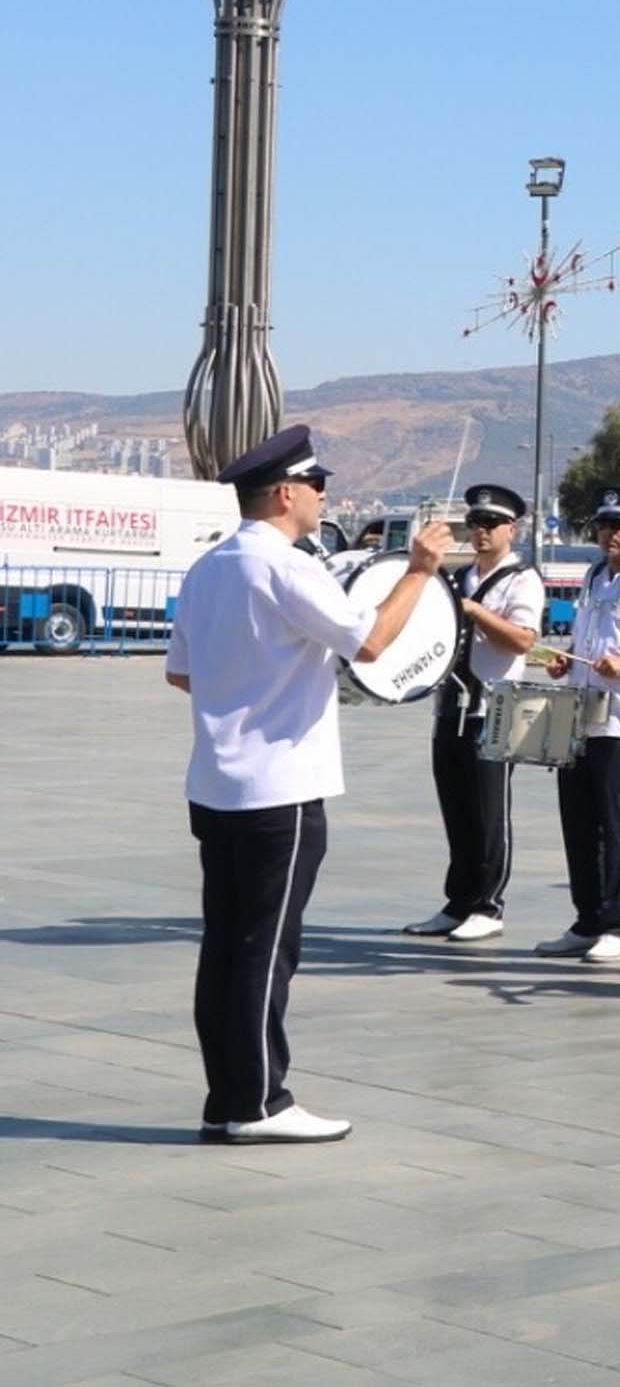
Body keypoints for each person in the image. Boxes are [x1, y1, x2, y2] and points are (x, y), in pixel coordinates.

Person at [167, 425, 453, 1141]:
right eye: (317, 484)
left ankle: (227, 1095)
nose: (325, 495)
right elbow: (373, 641)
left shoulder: (209, 567)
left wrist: (246, 683)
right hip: (281, 789)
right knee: (267, 947)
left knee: (225, 945)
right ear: (286, 491)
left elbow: (181, 671)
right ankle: (260, 1102)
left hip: (217, 784)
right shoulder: (289, 567)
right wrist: (419, 570)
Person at [405, 483, 543, 942]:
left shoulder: (521, 579)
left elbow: (523, 639)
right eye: (475, 524)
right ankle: (458, 899)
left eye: (491, 524)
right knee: (456, 808)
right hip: (453, 705)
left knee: (489, 812)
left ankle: (488, 903)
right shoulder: (457, 578)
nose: (481, 532)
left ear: (512, 529)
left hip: (494, 707)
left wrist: (475, 612)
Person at [539, 485, 620, 965]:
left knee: (617, 826)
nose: (608, 534)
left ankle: (618, 923)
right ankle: (587, 917)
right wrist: (564, 665)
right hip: (580, 713)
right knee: (578, 822)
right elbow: (585, 636)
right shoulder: (595, 575)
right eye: (603, 526)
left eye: (618, 526)